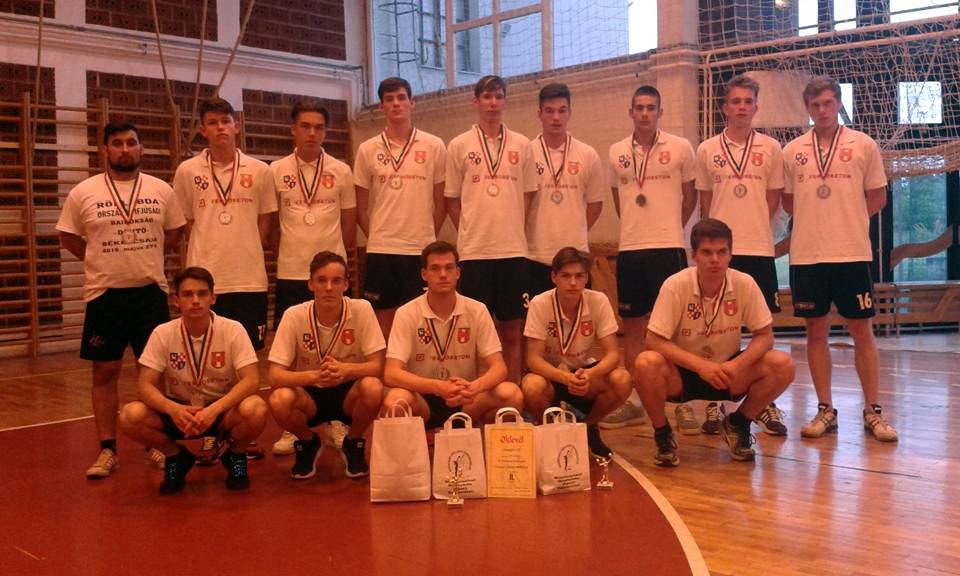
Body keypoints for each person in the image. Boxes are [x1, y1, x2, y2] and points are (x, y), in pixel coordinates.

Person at [57, 121, 186, 478]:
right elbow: (68, 237)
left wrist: (148, 257)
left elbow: (175, 232)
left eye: (131, 143)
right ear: (105, 150)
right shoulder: (83, 192)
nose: (125, 149)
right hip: (105, 295)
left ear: (141, 148)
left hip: (150, 293)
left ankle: (156, 444)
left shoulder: (161, 190)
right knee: (105, 372)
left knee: (153, 372)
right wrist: (99, 260)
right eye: (117, 143)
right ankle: (107, 449)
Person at [782, 76, 898, 442]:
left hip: (851, 253)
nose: (822, 110)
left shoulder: (863, 144)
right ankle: (825, 410)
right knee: (815, 332)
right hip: (808, 255)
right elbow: (789, 202)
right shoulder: (793, 150)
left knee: (861, 331)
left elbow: (877, 196)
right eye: (815, 105)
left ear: (838, 103)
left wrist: (847, 220)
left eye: (828, 103)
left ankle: (873, 411)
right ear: (808, 108)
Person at [634, 219, 795, 467]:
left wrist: (737, 365)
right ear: (694, 255)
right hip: (684, 372)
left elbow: (765, 336)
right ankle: (663, 432)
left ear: (731, 254)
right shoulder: (675, 284)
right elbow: (653, 340)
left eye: (722, 252)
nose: (715, 259)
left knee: (783, 364)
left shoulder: (744, 283)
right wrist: (701, 366)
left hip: (727, 372)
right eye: (707, 252)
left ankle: (738, 423)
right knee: (646, 363)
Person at [693, 74, 787, 437]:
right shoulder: (706, 149)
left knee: (762, 329)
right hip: (720, 253)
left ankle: (762, 401)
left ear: (756, 107)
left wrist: (754, 228)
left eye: (748, 101)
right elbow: (705, 203)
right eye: (736, 101)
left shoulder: (771, 148)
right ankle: (714, 399)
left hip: (758, 248)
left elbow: (773, 198)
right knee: (716, 327)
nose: (742, 107)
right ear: (725, 107)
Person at [118, 267, 268, 494]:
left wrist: (214, 410)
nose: (195, 300)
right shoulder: (162, 333)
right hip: (180, 411)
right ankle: (176, 457)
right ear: (176, 300)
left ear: (213, 297)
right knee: (130, 416)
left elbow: (252, 380)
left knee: (256, 408)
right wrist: (174, 410)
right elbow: (144, 385)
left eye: (202, 293)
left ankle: (236, 455)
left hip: (221, 409)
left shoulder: (233, 329)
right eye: (188, 294)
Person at [604, 85, 697, 430]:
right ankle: (634, 401)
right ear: (631, 112)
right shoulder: (616, 152)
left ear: (660, 112)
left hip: (668, 248)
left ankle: (683, 402)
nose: (645, 113)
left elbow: (690, 198)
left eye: (651, 107)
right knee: (632, 329)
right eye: (639, 107)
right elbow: (619, 199)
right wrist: (638, 228)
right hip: (631, 250)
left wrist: (670, 228)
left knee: (675, 330)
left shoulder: (680, 147)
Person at [269, 99, 357, 456]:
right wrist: (289, 255)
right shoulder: (275, 170)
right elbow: (273, 226)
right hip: (292, 271)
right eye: (305, 126)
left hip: (330, 274)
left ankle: (336, 419)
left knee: (334, 344)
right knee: (293, 350)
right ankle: (294, 425)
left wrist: (338, 263)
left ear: (326, 131)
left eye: (319, 127)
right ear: (293, 129)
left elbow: (349, 225)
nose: (312, 133)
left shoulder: (341, 170)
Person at [445, 75, 538, 383]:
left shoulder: (522, 145)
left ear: (505, 101)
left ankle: (512, 393)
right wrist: (471, 230)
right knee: (476, 333)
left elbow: (528, 195)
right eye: (487, 97)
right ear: (475, 102)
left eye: (498, 96)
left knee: (512, 329)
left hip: (513, 251)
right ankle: (478, 396)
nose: (493, 103)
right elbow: (452, 200)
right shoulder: (459, 145)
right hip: (474, 254)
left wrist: (510, 226)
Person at [267, 252, 384, 479]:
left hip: (348, 390)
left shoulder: (362, 309)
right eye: (322, 280)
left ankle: (353, 441)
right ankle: (308, 442)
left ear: (346, 285)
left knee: (373, 387)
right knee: (279, 399)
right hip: (311, 393)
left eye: (336, 281)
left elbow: (378, 366)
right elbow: (273, 376)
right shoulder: (294, 315)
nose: (329, 287)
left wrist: (347, 370)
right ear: (310, 284)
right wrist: (315, 376)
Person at [172, 97, 277, 351]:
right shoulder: (187, 171)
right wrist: (207, 240)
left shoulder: (260, 170)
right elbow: (185, 219)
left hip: (248, 278)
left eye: (225, 121)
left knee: (249, 352)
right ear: (202, 129)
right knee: (206, 349)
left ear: (236, 126)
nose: (220, 127)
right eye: (212, 122)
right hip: (205, 278)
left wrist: (249, 243)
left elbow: (266, 217)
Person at [382, 241, 523, 427]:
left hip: (466, 398)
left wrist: (474, 388)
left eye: (449, 268)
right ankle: (419, 441)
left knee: (512, 394)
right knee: (395, 401)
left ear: (458, 273)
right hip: (423, 398)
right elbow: (391, 373)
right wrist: (437, 386)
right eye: (435, 268)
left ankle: (478, 437)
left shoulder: (478, 309)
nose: (443, 274)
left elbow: (499, 368)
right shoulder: (406, 313)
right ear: (424, 274)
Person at [354, 77, 446, 339]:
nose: (396, 103)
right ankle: (386, 368)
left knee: (422, 320)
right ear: (381, 106)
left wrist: (426, 237)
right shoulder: (367, 149)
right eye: (389, 99)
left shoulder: (434, 145)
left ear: (412, 103)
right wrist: (379, 237)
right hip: (382, 250)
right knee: (383, 322)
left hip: (419, 249)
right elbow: (361, 208)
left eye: (401, 97)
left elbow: (440, 203)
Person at [521, 247, 632, 458]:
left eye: (579, 276)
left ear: (586, 278)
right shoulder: (540, 303)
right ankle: (553, 432)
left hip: (583, 374)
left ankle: (588, 426)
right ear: (554, 277)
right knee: (531, 387)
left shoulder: (598, 300)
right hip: (551, 375)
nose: (573, 282)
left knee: (622, 379)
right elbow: (533, 359)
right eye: (566, 276)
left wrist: (589, 374)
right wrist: (565, 378)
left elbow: (613, 354)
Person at [524, 83, 605, 298]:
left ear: (570, 112)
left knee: (579, 318)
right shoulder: (526, 153)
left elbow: (595, 204)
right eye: (549, 111)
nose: (556, 117)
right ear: (539, 114)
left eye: (562, 110)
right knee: (535, 319)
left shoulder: (587, 154)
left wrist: (575, 228)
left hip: (575, 259)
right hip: (535, 256)